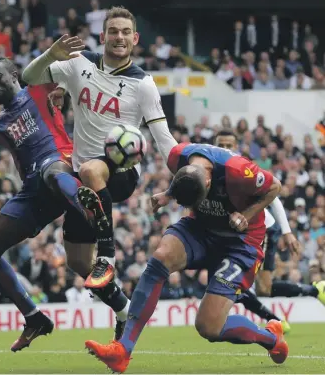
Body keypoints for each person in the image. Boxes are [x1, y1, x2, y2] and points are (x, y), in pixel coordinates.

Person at [0, 49, 129, 350]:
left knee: (50, 172)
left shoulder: (40, 88)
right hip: (34, 193)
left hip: (64, 167)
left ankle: (89, 207)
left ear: (14, 75)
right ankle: (37, 316)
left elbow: (79, 73)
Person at [85, 142, 288, 373]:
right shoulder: (177, 156)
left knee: (208, 327)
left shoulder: (240, 171)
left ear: (209, 182)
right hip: (200, 228)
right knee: (160, 258)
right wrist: (169, 194)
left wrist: (246, 215)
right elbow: (186, 178)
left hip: (241, 242)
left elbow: (275, 187)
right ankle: (123, 350)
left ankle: (271, 338)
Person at [22, 6, 177, 290]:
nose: (120, 37)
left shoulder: (143, 84)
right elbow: (29, 77)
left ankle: (108, 255)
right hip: (85, 179)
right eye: (114, 31)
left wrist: (181, 175)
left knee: (93, 169)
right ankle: (122, 311)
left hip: (122, 171)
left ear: (136, 39)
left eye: (126, 32)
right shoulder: (79, 63)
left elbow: (163, 137)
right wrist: (50, 56)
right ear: (103, 36)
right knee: (78, 262)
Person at [214, 129, 325, 327]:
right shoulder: (210, 171)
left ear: (237, 148)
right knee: (243, 285)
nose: (224, 149)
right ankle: (281, 318)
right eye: (220, 145)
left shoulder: (245, 170)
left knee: (257, 287)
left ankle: (306, 298)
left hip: (262, 231)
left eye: (229, 145)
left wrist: (287, 232)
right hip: (234, 234)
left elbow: (273, 196)